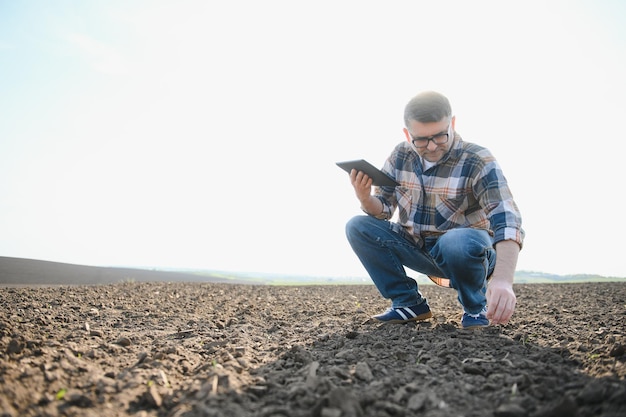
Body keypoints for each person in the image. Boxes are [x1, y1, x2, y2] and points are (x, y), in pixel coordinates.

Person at [345, 91, 524, 329]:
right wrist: (365, 197)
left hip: (469, 251)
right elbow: (384, 208)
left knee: (456, 241)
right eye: (421, 140)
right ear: (407, 134)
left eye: (440, 136)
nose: (431, 146)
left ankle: (475, 308)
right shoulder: (400, 155)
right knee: (358, 226)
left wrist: (502, 280)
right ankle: (409, 304)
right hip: (418, 248)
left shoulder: (477, 159)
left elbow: (507, 219)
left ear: (453, 123)